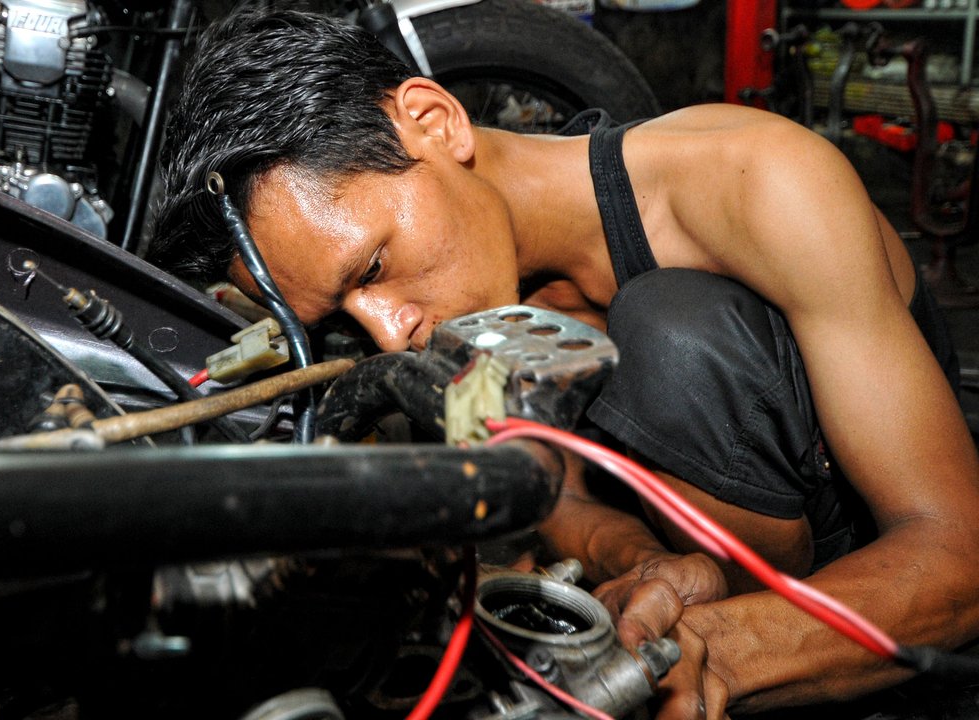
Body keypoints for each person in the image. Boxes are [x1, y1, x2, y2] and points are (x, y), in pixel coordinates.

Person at [147, 10, 979, 719]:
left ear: (435, 122)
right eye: (344, 317)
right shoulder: (484, 300)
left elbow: (960, 554)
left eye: (369, 270)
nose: (390, 333)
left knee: (669, 330)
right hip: (700, 553)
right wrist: (639, 567)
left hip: (854, 559)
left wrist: (726, 651)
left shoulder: (763, 185)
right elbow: (551, 491)